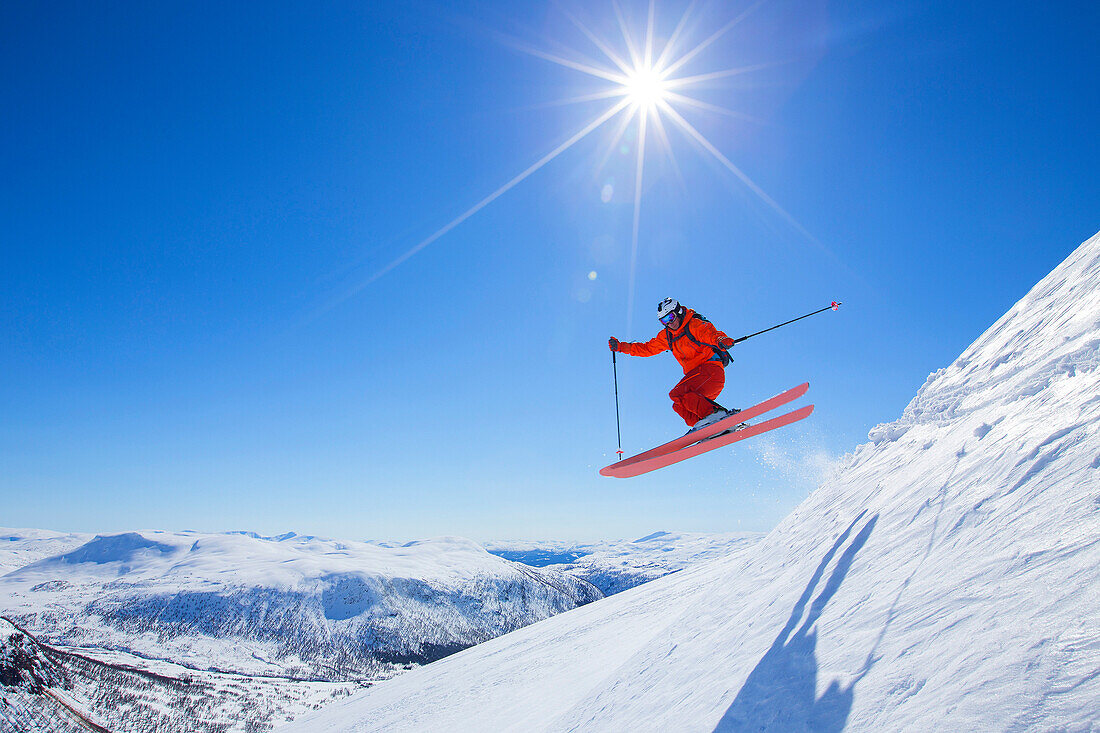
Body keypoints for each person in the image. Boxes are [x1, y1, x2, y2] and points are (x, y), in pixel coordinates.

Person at [609, 298, 739, 430]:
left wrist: (721, 340)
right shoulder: (667, 336)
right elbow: (648, 348)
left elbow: (710, 333)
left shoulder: (693, 325)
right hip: (697, 381)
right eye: (664, 321)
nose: (669, 323)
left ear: (679, 311)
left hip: (710, 372)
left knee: (677, 393)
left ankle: (716, 415)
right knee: (679, 405)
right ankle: (710, 427)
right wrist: (620, 347)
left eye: (671, 317)